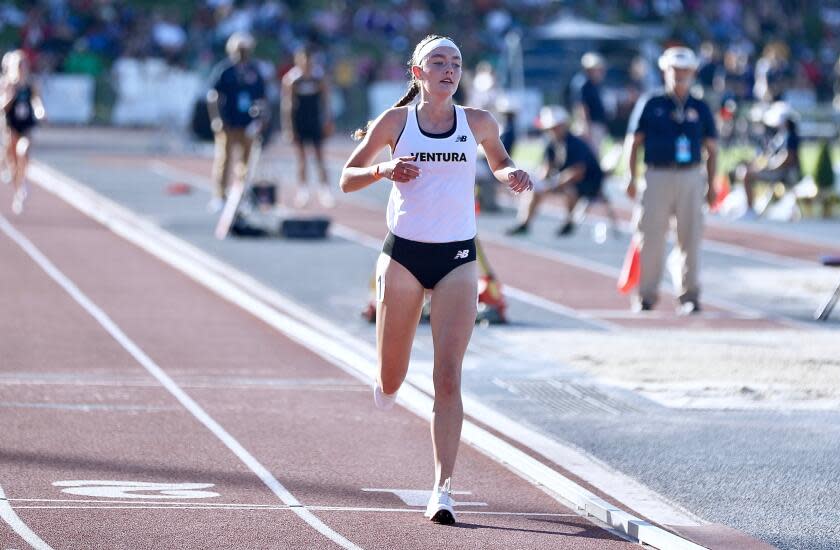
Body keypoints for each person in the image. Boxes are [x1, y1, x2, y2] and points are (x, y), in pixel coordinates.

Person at [338, 34, 531, 525]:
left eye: (456, 63)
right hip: (403, 257)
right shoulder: (396, 122)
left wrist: (511, 173)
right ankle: (386, 382)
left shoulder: (478, 121)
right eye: (438, 62)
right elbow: (346, 177)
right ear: (417, 73)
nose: (449, 69)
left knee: (447, 375)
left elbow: (499, 158)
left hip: (458, 260)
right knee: (391, 378)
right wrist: (384, 168)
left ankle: (443, 488)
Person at [625, 47, 717, 315]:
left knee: (690, 237)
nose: (680, 75)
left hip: (690, 175)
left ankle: (689, 295)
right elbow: (633, 141)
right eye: (675, 70)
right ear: (665, 71)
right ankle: (646, 295)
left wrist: (711, 184)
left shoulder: (699, 107)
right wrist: (631, 176)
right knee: (650, 236)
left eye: (685, 71)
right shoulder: (651, 103)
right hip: (657, 173)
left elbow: (712, 148)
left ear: (693, 73)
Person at [506, 105, 603, 236]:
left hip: (588, 184)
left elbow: (577, 172)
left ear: (563, 125)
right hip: (564, 181)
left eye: (555, 127)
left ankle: (569, 222)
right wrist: (538, 182)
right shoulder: (552, 143)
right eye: (550, 128)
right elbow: (547, 166)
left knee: (571, 190)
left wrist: (554, 185)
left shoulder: (575, 143)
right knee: (534, 190)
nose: (552, 131)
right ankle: (525, 223)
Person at [206, 32, 267, 213]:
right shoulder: (225, 70)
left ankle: (241, 195)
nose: (242, 53)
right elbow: (213, 96)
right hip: (229, 122)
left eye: (245, 49)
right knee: (224, 160)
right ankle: (219, 196)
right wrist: (217, 118)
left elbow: (262, 97)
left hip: (248, 123)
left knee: (247, 162)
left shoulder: (254, 71)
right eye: (239, 49)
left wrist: (261, 119)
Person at [282, 47, 334, 208]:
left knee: (320, 157)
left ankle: (325, 190)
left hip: (315, 121)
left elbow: (326, 101)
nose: (306, 64)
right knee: (302, 158)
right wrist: (289, 127)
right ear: (298, 61)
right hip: (299, 121)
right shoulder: (292, 79)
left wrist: (328, 120)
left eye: (309, 60)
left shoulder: (318, 77)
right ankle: (303, 191)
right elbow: (287, 105)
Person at [1, 50, 45, 215]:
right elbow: (2, 107)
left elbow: (37, 100)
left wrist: (41, 111)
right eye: (18, 65)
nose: (21, 68)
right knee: (12, 163)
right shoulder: (8, 84)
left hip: (26, 125)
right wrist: (10, 97)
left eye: (23, 65)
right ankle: (17, 189)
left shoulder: (31, 83)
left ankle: (23, 186)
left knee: (23, 151)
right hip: (11, 126)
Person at [739, 101, 800, 217]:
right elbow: (768, 154)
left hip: (783, 172)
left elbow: (788, 158)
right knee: (747, 169)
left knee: (747, 175)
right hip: (777, 169)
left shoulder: (790, 136)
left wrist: (769, 166)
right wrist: (758, 163)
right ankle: (750, 207)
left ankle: (750, 209)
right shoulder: (781, 135)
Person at [572, 52, 608, 154]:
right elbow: (581, 106)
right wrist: (585, 126)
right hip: (590, 125)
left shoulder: (592, 83)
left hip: (594, 124)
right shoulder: (583, 84)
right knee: (591, 154)